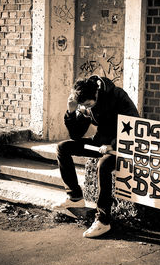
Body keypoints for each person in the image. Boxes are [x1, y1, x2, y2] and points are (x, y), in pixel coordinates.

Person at [56, 75, 139, 238]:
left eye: (88, 104)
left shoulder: (117, 96)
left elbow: (135, 124)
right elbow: (76, 135)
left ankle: (103, 220)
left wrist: (113, 145)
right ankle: (75, 197)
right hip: (100, 144)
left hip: (123, 147)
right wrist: (71, 112)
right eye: (84, 105)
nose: (87, 107)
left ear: (96, 94)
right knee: (63, 147)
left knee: (103, 165)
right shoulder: (86, 103)